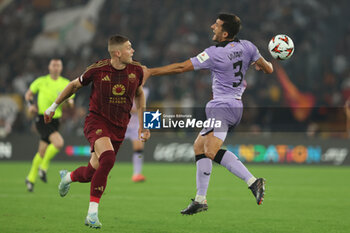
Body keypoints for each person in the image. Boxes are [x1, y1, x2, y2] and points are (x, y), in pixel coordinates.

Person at [145, 13, 273, 215]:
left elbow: (181, 67)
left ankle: (253, 182)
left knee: (211, 152)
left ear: (225, 33)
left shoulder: (213, 53)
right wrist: (256, 63)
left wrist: (151, 72)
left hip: (222, 107)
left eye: (217, 25)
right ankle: (200, 199)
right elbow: (268, 69)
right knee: (198, 147)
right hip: (234, 105)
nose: (212, 26)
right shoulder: (248, 46)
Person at [44, 35, 150, 228]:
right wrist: (53, 106)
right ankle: (92, 214)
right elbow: (74, 85)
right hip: (97, 121)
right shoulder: (98, 69)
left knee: (90, 173)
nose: (132, 51)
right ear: (117, 53)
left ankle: (67, 177)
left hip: (120, 125)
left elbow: (140, 94)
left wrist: (145, 124)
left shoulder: (137, 70)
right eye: (129, 48)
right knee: (108, 159)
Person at [25, 58, 74, 192]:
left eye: (58, 65)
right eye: (54, 65)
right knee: (58, 143)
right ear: (49, 67)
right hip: (42, 118)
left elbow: (71, 101)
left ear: (61, 68)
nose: (56, 67)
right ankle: (43, 168)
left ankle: (30, 178)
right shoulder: (41, 81)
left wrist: (70, 103)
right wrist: (30, 105)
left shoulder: (65, 83)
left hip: (56, 120)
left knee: (41, 152)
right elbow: (28, 94)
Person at [125, 86, 150, 182]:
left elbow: (145, 108)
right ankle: (97, 168)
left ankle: (137, 174)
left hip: (136, 125)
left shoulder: (146, 91)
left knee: (138, 149)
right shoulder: (125, 88)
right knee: (110, 148)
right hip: (122, 123)